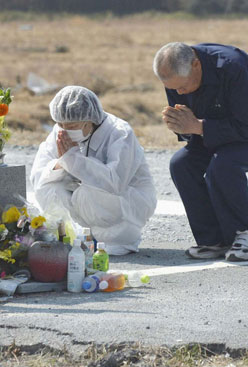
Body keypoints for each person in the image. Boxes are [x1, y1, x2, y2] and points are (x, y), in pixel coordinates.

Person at [153, 42, 248, 262]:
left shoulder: (232, 66)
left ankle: (246, 238)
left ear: (196, 64)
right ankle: (213, 241)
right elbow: (190, 128)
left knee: (224, 164)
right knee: (181, 164)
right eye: (173, 89)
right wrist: (183, 127)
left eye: (182, 87)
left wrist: (198, 127)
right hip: (216, 134)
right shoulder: (176, 77)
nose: (178, 93)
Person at [30, 86, 157, 255]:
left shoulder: (119, 133)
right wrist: (61, 163)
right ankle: (72, 237)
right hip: (83, 200)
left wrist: (73, 158)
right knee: (48, 189)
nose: (65, 129)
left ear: (90, 120)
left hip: (129, 200)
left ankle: (114, 239)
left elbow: (114, 182)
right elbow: (38, 175)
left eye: (72, 125)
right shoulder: (59, 131)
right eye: (61, 124)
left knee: (87, 193)